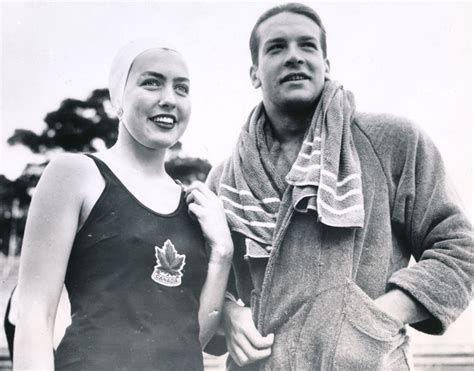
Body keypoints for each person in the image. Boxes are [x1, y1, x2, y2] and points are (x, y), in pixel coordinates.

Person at [206, 3, 473, 370]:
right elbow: (200, 282)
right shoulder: (225, 180)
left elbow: (458, 248)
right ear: (254, 74)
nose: (294, 57)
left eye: (308, 46)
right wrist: (229, 314)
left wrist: (369, 322)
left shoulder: (392, 142)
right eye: (277, 47)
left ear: (326, 65)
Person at [13, 40, 233, 370]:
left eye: (181, 88)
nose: (169, 99)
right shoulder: (75, 174)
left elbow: (190, 339)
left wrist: (222, 253)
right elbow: (34, 315)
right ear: (118, 97)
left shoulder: (194, 207)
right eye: (152, 82)